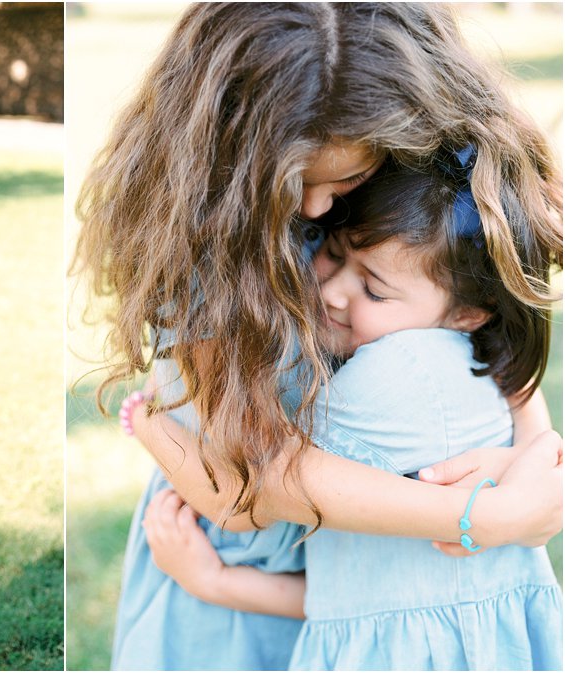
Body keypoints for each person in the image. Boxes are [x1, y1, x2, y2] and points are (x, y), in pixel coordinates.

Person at [72, 3, 563, 670]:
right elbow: (257, 479)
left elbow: (497, 320)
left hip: (341, 574)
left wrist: (534, 455)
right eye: (294, 179)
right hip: (229, 582)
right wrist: (490, 517)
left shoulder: (404, 168)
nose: (314, 208)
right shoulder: (208, 250)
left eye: (347, 180)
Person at [143, 157, 563, 669]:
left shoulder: (401, 381)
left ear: (466, 316)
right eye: (332, 252)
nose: (333, 292)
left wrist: (148, 422)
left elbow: (258, 500)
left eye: (374, 290)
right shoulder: (224, 261)